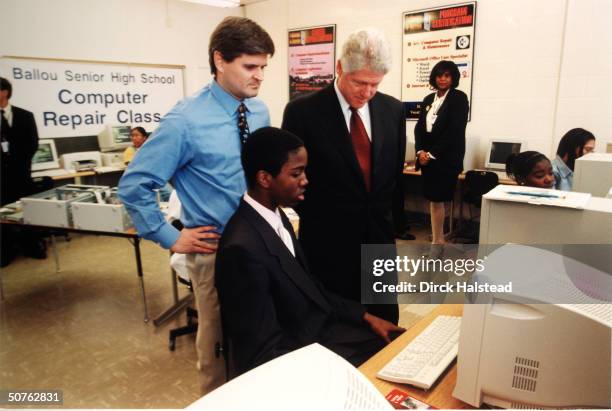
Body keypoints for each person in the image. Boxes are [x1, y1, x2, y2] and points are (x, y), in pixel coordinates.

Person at [118, 16, 274, 394]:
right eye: (250, 66)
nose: (259, 76)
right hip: (214, 250)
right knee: (217, 348)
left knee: (262, 334)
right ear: (220, 60)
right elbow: (135, 184)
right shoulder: (184, 121)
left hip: (261, 243)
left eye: (264, 67)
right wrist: (169, 236)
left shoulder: (259, 111)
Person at [215, 127, 404, 376]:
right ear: (264, 179)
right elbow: (261, 353)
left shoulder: (276, 215)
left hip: (321, 334)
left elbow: (310, 288)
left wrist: (366, 317)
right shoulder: (241, 249)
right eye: (296, 173)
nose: (305, 181)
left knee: (400, 348)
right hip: (303, 358)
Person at [281, 28, 407, 324]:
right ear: (339, 68)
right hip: (327, 244)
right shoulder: (303, 112)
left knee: (385, 325)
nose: (367, 92)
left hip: (378, 245)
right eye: (359, 82)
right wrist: (321, 215)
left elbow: (393, 178)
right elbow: (293, 181)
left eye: (375, 84)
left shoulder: (392, 110)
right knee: (333, 329)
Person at [414, 60, 469, 245]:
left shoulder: (459, 98)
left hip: (445, 157)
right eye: (439, 75)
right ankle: (438, 239)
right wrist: (420, 151)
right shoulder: (428, 99)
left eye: (447, 75)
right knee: (433, 199)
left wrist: (431, 155)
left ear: (453, 77)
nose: (442, 79)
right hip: (427, 157)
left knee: (440, 197)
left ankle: (438, 240)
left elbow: (454, 131)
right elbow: (419, 128)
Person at [0, 77, 46, 267]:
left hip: (21, 173)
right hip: (1, 177)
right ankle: (5, 251)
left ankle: (32, 246)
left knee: (27, 211)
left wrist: (16, 162)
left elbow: (32, 143)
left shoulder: (25, 116)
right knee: (3, 215)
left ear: (5, 92)